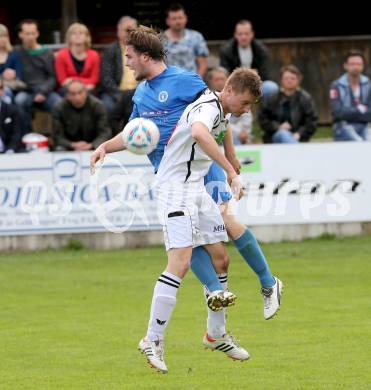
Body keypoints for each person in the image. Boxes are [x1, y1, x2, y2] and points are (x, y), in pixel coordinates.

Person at [90, 26, 282, 370]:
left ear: (145, 55)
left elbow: (216, 117)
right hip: (174, 180)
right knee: (183, 258)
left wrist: (229, 162)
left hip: (200, 174)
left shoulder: (186, 81)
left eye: (130, 56)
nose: (128, 64)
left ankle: (219, 328)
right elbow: (135, 134)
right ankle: (155, 338)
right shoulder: (140, 95)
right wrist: (105, 146)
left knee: (220, 250)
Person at [14, 19, 61, 134]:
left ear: (37, 33)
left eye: (32, 33)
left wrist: (43, 92)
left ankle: (59, 140)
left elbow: (53, 77)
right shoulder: (16, 52)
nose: (30, 36)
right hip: (26, 91)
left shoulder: (47, 53)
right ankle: (26, 137)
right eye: (27, 33)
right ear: (21, 34)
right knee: (19, 101)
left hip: (45, 92)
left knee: (59, 103)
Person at [258, 64, 317, 143]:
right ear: (281, 80)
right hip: (275, 137)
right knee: (283, 134)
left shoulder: (305, 98)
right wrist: (278, 127)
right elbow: (263, 119)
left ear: (299, 80)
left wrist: (299, 133)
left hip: (298, 138)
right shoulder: (272, 98)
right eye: (286, 78)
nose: (289, 81)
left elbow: (311, 121)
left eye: (293, 78)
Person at [219, 20, 278, 97]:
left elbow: (265, 72)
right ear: (235, 35)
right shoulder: (226, 50)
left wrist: (254, 84)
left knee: (272, 88)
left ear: (252, 34)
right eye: (240, 34)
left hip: (257, 83)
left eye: (246, 34)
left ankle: (265, 109)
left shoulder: (261, 49)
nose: (243, 37)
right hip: (234, 84)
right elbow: (225, 72)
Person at [52, 80, 111, 151]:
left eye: (80, 93)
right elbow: (57, 136)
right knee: (59, 149)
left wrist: (92, 145)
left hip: (93, 146)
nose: (77, 97)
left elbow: (105, 133)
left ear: (86, 93)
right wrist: (72, 145)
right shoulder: (59, 108)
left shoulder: (97, 106)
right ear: (67, 95)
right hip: (69, 147)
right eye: (73, 94)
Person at [100, 16, 138, 114]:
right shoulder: (110, 50)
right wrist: (119, 95)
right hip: (116, 92)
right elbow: (106, 79)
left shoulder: (142, 50)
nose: (129, 33)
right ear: (118, 31)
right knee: (108, 106)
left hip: (138, 91)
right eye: (126, 30)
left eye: (132, 30)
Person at [330, 50, 371, 141]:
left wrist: (350, 112)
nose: (356, 67)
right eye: (352, 64)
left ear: (363, 66)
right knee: (359, 143)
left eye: (359, 64)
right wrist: (360, 110)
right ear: (345, 66)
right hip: (342, 126)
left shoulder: (369, 84)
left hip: (365, 125)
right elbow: (337, 113)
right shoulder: (336, 86)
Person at [207, 66, 253, 144]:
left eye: (222, 79)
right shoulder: (207, 100)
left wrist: (244, 132)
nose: (220, 82)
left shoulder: (239, 95)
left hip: (241, 136)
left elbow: (247, 116)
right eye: (216, 80)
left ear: (228, 80)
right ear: (211, 82)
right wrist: (237, 132)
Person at [161, 3, 208, 77]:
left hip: (192, 81)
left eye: (180, 18)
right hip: (169, 81)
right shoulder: (160, 39)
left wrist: (196, 82)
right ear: (167, 21)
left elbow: (203, 64)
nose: (178, 21)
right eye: (174, 18)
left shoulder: (196, 37)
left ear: (186, 18)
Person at [55, 23, 100, 94]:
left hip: (88, 89)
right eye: (74, 33)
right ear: (69, 37)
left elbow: (94, 80)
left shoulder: (94, 55)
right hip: (67, 90)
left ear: (86, 37)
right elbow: (62, 80)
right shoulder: (61, 55)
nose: (77, 36)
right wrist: (83, 83)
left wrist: (72, 79)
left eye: (81, 33)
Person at [0, 24, 25, 103]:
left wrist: (14, 74)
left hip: (11, 87)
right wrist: (2, 75)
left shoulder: (14, 54)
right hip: (2, 87)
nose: (3, 39)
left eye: (5, 36)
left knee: (7, 95)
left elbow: (19, 75)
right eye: (0, 36)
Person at [0, 78, 21, 153]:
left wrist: (11, 149)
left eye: (0, 88)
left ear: (2, 91)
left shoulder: (12, 110)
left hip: (7, 152)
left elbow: (16, 133)